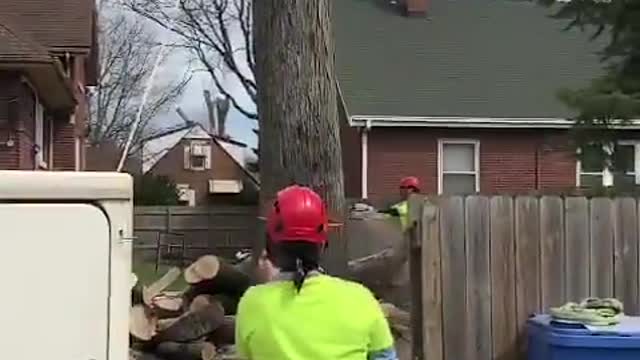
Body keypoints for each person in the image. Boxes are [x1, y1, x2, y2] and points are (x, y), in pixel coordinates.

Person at [235, 185, 398, 360]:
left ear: (271, 246)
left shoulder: (252, 303)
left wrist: (269, 285)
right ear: (322, 245)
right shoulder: (361, 299)